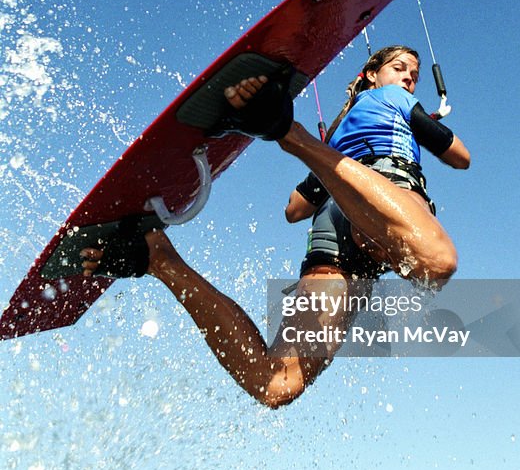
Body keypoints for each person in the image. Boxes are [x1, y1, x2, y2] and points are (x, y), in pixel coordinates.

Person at [81, 46, 470, 409]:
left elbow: (295, 209)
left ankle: (157, 258)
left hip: (335, 225)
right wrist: (427, 120)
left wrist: (327, 159)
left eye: (414, 75)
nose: (408, 79)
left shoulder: (338, 140)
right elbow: (460, 158)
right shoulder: (393, 99)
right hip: (383, 195)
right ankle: (286, 131)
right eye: (399, 69)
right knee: (435, 263)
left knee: (276, 384)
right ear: (371, 75)